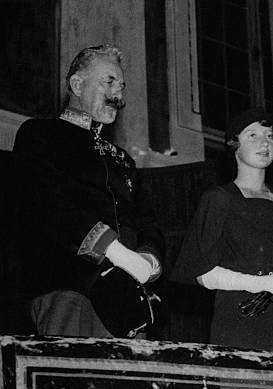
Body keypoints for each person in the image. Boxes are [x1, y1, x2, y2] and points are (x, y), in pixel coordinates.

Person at [12, 44, 163, 337]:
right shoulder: (40, 134)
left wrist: (147, 260)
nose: (118, 95)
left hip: (128, 304)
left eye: (121, 86)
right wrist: (115, 251)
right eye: (109, 81)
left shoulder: (123, 159)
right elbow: (45, 205)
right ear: (77, 84)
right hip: (71, 292)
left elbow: (149, 222)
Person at [172, 108, 273, 353]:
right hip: (241, 320)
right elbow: (200, 271)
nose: (264, 142)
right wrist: (258, 283)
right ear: (233, 145)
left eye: (270, 136)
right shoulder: (219, 200)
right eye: (253, 135)